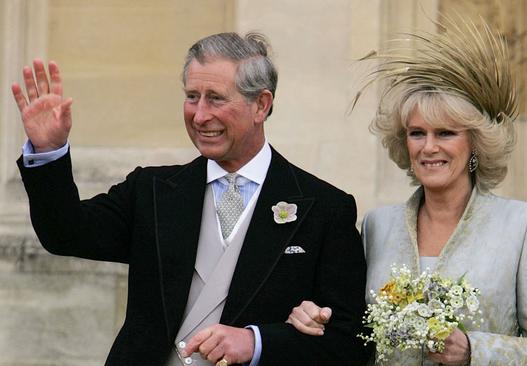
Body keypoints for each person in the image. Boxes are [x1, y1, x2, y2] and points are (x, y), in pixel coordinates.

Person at [12, 32, 368, 366]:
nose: (199, 116)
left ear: (261, 105)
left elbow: (348, 341)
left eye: (215, 98)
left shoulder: (323, 208)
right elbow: (65, 233)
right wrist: (49, 152)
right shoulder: (152, 190)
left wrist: (256, 342)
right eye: (192, 97)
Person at [286, 19, 527, 365]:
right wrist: (313, 317)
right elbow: (351, 329)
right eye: (417, 133)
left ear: (475, 143)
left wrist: (473, 350)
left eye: (446, 133)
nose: (429, 147)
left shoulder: (523, 225)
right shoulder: (378, 226)